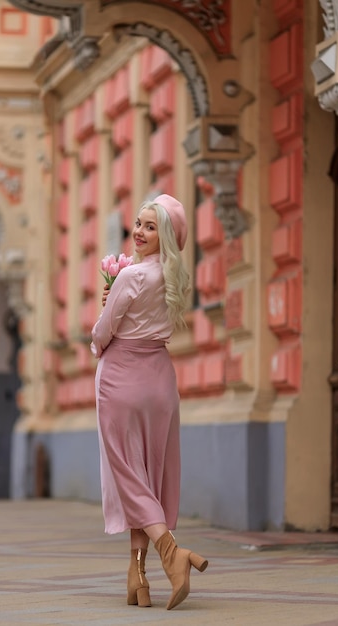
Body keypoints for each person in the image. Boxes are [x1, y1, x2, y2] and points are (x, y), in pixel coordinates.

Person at [90, 193, 208, 610]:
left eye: (150, 226)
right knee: (149, 475)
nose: (138, 232)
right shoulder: (174, 279)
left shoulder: (131, 277)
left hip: (121, 380)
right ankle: (137, 576)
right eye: (138, 224)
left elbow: (104, 333)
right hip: (160, 382)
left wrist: (100, 322)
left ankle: (173, 555)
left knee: (129, 475)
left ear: (166, 235)